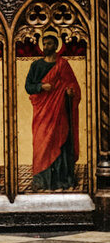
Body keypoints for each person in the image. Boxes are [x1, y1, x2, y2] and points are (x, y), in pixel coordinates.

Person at [25, 32, 80, 190]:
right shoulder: (36, 65)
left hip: (60, 111)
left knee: (60, 142)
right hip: (42, 112)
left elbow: (73, 86)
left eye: (49, 44)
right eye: (44, 43)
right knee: (42, 143)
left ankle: (62, 180)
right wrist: (41, 87)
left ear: (56, 46)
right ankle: (42, 181)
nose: (46, 47)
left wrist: (70, 92)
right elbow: (28, 86)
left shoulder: (63, 64)